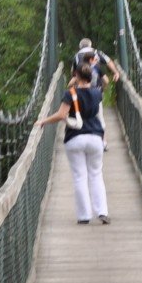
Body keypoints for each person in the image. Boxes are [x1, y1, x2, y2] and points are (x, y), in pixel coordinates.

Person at [36, 61, 109, 224]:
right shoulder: (98, 93)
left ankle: (84, 216)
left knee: (79, 177)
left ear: (76, 75)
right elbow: (99, 116)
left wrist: (43, 121)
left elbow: (62, 115)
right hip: (96, 138)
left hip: (75, 138)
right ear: (91, 76)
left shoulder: (70, 94)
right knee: (96, 175)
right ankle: (102, 211)